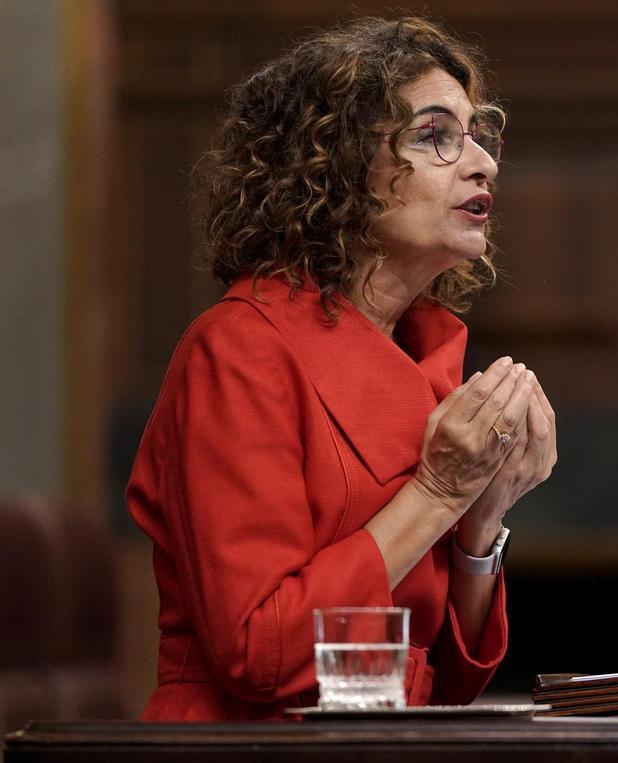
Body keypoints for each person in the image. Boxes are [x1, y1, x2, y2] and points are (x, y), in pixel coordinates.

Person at [126, 15, 556, 721]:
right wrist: (442, 491)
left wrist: (481, 525)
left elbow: (444, 682)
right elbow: (258, 652)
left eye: (480, 134)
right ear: (337, 165)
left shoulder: (427, 357)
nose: (484, 163)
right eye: (436, 135)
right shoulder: (238, 348)